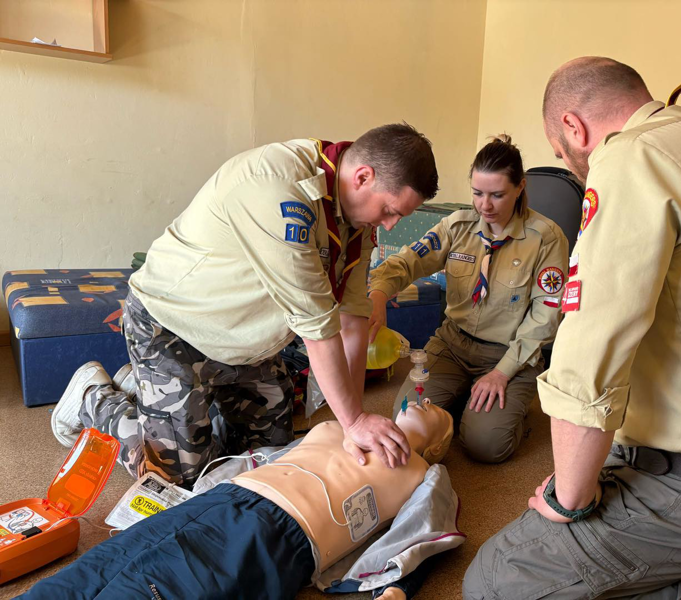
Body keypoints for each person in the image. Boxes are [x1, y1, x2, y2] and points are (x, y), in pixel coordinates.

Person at [463, 57, 681, 599]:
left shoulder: (630, 157)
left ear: (573, 127)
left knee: (494, 580)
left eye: (560, 153)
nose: (570, 165)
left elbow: (589, 340)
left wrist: (569, 495)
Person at [51, 124, 439, 488]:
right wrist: (354, 421)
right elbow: (316, 328)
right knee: (179, 479)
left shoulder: (357, 220)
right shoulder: (279, 191)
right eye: (391, 211)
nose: (390, 225)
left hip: (246, 341)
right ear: (363, 177)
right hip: (173, 327)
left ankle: (156, 399)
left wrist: (348, 423)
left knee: (268, 458)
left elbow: (351, 322)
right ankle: (95, 399)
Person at [23, 400, 458, 600]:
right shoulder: (343, 422)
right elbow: (267, 457)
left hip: (279, 533)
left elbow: (424, 532)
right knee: (90, 572)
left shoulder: (425, 473)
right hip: (225, 498)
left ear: (437, 443)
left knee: (153, 588)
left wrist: (397, 588)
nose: (425, 401)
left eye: (438, 412)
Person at [368, 135, 569, 464]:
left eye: (497, 195)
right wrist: (378, 294)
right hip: (453, 345)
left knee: (485, 445)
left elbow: (545, 317)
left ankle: (508, 410)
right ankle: (466, 395)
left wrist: (502, 373)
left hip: (510, 354)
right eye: (477, 193)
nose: (484, 205)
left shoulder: (546, 239)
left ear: (520, 187)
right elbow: (405, 263)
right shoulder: (457, 226)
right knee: (406, 421)